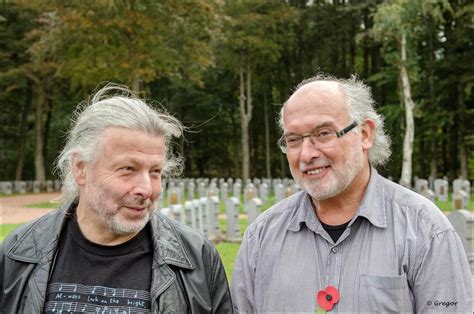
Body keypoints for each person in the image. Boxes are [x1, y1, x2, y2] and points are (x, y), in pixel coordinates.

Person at [230, 74, 472, 312]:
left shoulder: (426, 232)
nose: (306, 154)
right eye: (293, 140)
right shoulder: (260, 239)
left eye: (323, 134)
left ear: (365, 134)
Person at [0, 85, 233, 313]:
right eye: (128, 168)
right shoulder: (19, 253)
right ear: (81, 168)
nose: (145, 189)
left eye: (155, 172)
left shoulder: (197, 260)